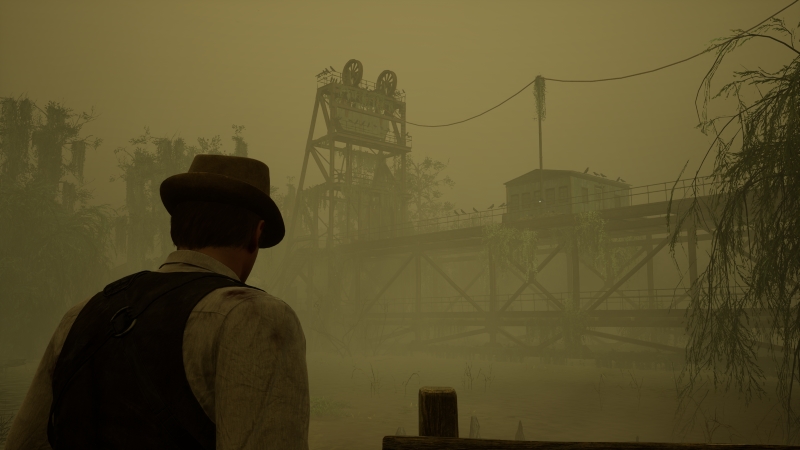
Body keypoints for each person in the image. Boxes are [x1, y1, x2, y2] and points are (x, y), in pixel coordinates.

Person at [5, 154, 309, 449]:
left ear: (177, 225)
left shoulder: (81, 314)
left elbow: (24, 442)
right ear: (257, 233)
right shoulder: (256, 316)